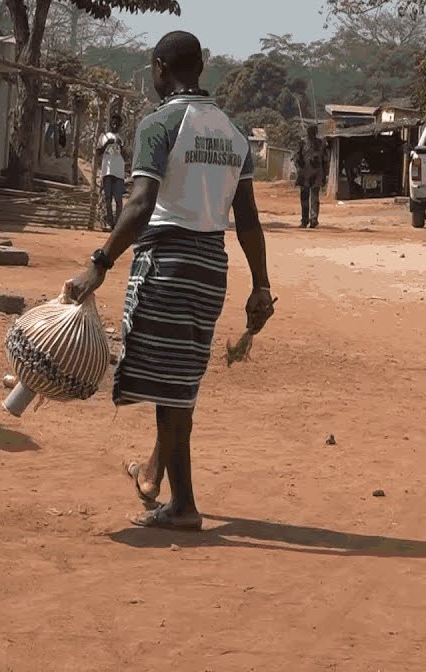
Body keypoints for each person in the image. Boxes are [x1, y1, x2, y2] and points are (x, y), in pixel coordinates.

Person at [64, 30, 275, 531]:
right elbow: (247, 219)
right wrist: (261, 287)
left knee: (168, 381)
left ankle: (184, 506)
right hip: (211, 265)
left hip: (168, 261)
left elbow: (138, 205)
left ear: (161, 68)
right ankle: (155, 472)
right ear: (199, 69)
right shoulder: (233, 131)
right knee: (180, 376)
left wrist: (100, 261)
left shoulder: (159, 123)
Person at [292, 124, 328, 228]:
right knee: (309, 198)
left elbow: (325, 160)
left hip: (311, 175)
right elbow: (297, 158)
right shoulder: (304, 143)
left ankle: (310, 220)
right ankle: (308, 219)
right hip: (308, 175)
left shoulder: (319, 144)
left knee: (311, 198)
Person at [97, 114, 128, 230]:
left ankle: (118, 223)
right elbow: (98, 152)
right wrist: (107, 144)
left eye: (117, 124)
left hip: (119, 172)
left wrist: (121, 146)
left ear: (120, 126)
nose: (115, 126)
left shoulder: (121, 138)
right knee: (108, 198)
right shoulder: (104, 136)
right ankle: (110, 223)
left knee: (118, 199)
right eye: (113, 123)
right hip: (107, 171)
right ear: (110, 124)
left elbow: (126, 157)